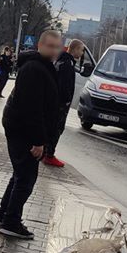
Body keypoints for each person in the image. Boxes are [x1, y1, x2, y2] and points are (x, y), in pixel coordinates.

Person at [0, 30, 62, 239]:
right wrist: (38, 141)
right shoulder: (35, 69)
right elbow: (32, 109)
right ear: (40, 46)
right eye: (50, 46)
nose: (53, 50)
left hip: (19, 127)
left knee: (20, 174)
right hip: (23, 131)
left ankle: (4, 213)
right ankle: (11, 221)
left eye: (56, 46)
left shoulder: (41, 66)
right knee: (26, 178)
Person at [43, 39, 85, 168]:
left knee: (52, 127)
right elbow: (64, 85)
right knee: (56, 128)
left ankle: (46, 151)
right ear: (76, 49)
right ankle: (49, 155)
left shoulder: (61, 60)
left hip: (55, 102)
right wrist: (65, 101)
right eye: (82, 50)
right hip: (60, 104)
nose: (82, 53)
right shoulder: (67, 64)